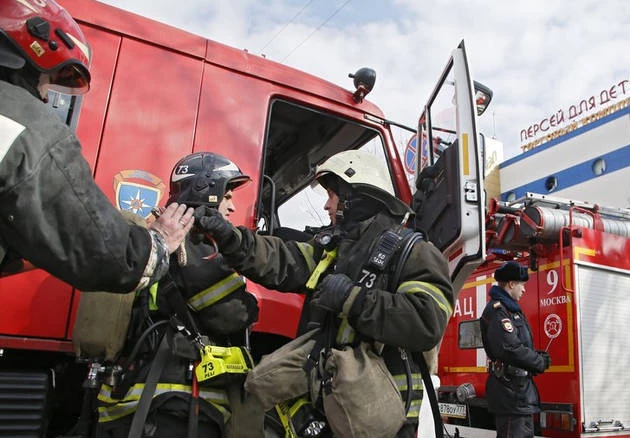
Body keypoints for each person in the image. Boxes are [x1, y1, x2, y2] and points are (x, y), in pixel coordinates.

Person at [195, 149, 454, 437]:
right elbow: (281, 260)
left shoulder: (414, 252)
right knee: (256, 388)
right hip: (335, 399)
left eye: (332, 195)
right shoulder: (334, 250)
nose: (327, 205)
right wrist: (231, 238)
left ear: (355, 197)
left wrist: (352, 298)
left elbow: (426, 321)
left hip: (382, 414)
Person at [0, 0, 192, 292]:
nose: (45, 96)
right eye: (48, 80)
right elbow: (113, 259)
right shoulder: (28, 126)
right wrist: (160, 240)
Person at [96, 152, 259, 438]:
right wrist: (251, 302)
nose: (232, 207)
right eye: (227, 196)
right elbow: (234, 316)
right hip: (173, 403)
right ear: (206, 190)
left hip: (140, 394)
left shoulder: (158, 234)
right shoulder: (193, 246)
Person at [480, 261, 551, 438]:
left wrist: (535, 356)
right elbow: (509, 348)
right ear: (511, 284)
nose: (524, 290)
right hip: (510, 393)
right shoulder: (498, 311)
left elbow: (518, 345)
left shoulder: (512, 311)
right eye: (522, 285)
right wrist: (538, 361)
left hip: (519, 392)